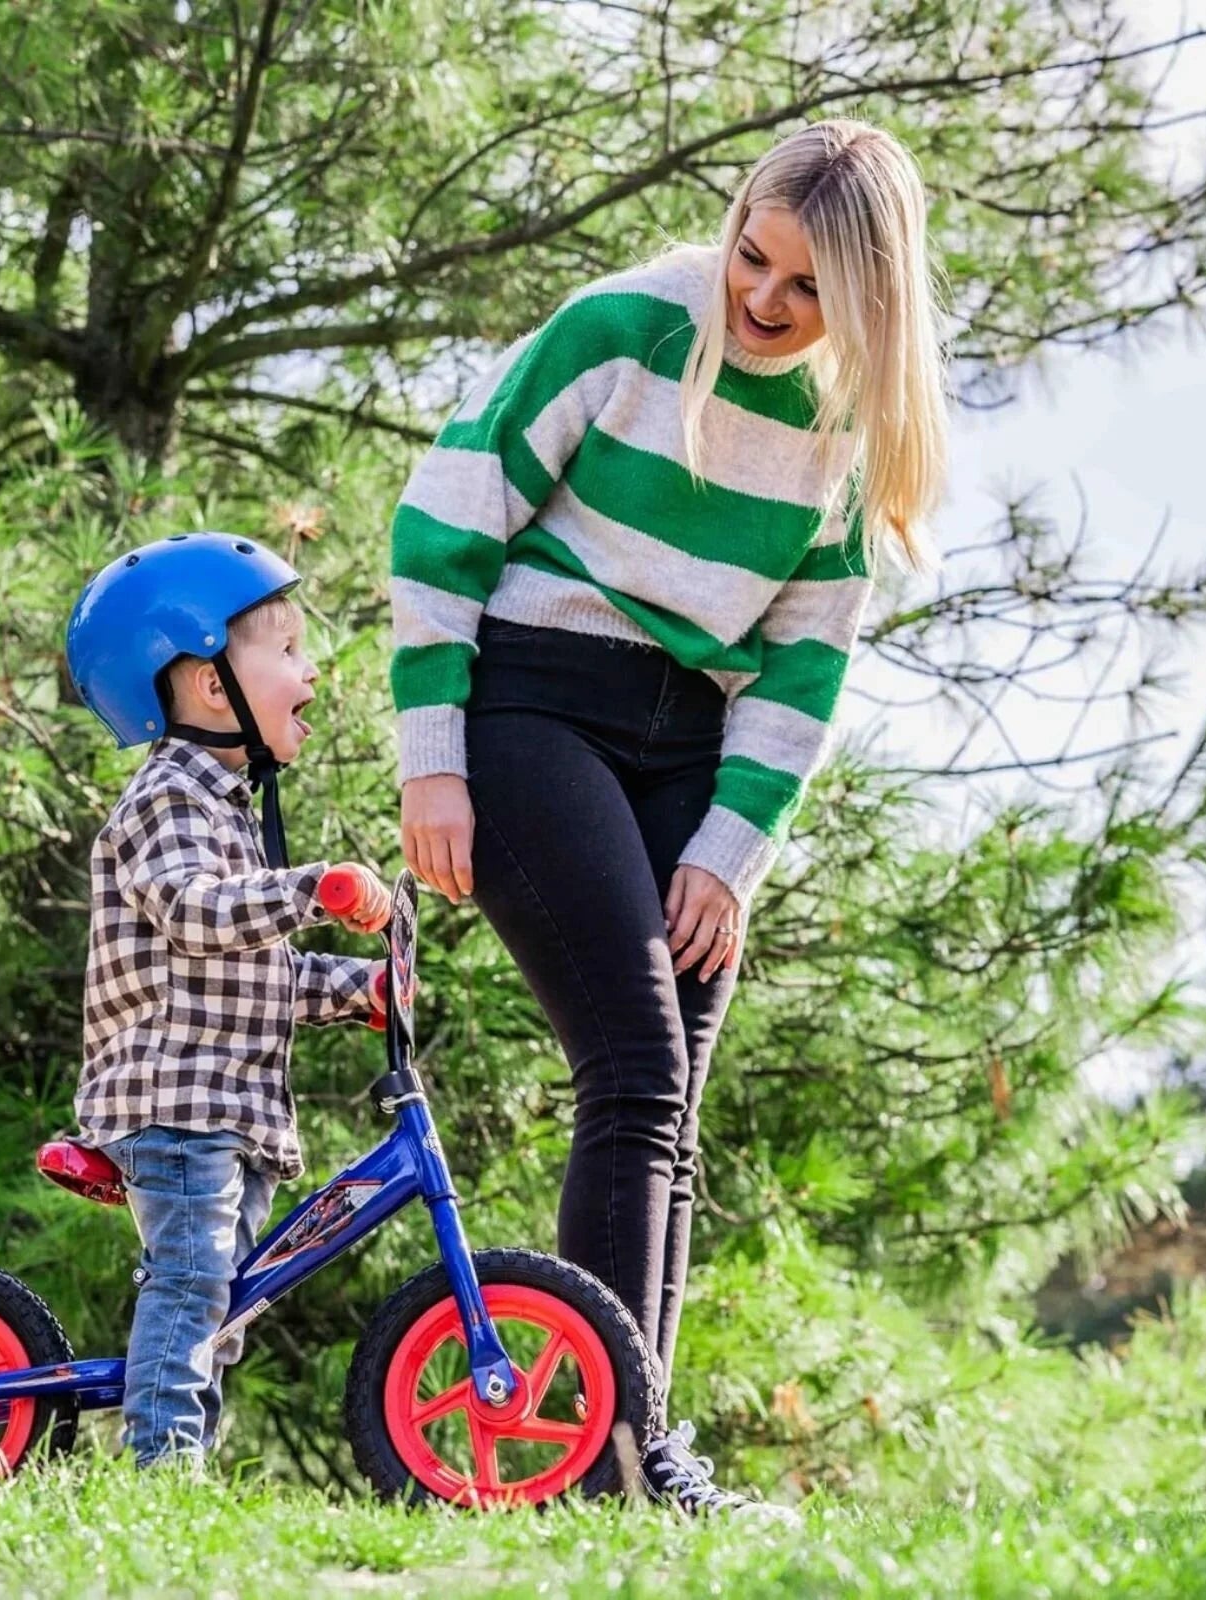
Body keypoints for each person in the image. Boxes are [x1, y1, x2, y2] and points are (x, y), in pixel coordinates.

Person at [389, 119, 949, 1518]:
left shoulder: (849, 428)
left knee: (668, 1106)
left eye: (807, 287)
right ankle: (615, 1458)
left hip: (692, 744)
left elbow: (806, 666)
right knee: (634, 1067)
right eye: (752, 255)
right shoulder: (625, 325)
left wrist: (729, 855)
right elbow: (447, 515)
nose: (762, 298)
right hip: (534, 703)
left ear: (868, 299)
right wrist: (432, 759)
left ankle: (638, 1462)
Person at [66, 532, 392, 1470]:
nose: (311, 671)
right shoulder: (168, 798)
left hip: (227, 1111)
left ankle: (186, 1456)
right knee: (195, 1282)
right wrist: (314, 888)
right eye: (287, 650)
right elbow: (196, 912)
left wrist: (361, 989)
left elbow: (255, 974)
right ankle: (162, 1468)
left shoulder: (227, 811)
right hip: (176, 1102)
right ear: (213, 684)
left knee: (223, 1306)